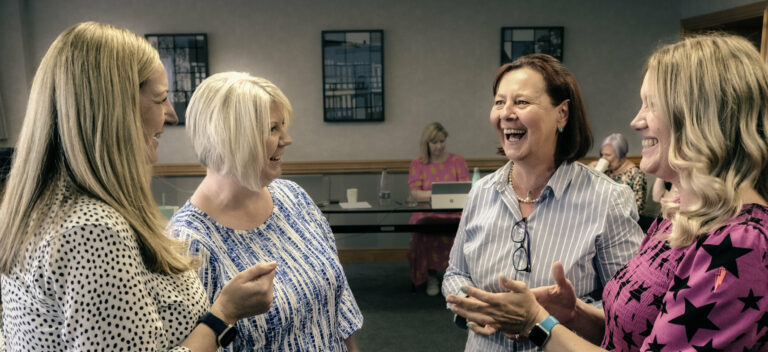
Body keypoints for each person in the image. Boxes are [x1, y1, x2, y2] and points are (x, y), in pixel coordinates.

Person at [447, 34, 768, 351]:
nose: (636, 121)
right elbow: (633, 325)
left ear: (700, 117)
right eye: (499, 102)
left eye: (651, 105)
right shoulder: (675, 219)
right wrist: (572, 314)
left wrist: (538, 323)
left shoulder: (738, 244)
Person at [0, 22, 276, 351]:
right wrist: (224, 314)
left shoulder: (50, 209)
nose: (171, 115)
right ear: (115, 113)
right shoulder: (92, 230)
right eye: (160, 99)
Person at [442, 54, 643, 351]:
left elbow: (633, 316)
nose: (506, 113)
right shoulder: (481, 192)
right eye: (499, 102)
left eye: (521, 102)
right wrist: (475, 308)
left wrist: (566, 315)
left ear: (562, 114)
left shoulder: (608, 199)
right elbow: (455, 273)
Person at [167, 72, 363, 351]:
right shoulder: (189, 243)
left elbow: (339, 308)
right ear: (232, 138)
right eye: (273, 129)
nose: (286, 139)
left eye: (283, 126)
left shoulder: (294, 198)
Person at [408, 122, 470, 295]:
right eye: (434, 142)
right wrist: (438, 194)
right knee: (422, 227)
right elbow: (415, 193)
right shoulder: (418, 164)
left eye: (442, 141)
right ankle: (432, 275)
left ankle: (457, 275)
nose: (439, 146)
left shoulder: (458, 161)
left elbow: (465, 189)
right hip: (427, 212)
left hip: (455, 212)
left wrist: (430, 193)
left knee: (466, 228)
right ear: (426, 144)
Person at [590, 133, 648, 213]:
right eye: (602, 155)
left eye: (608, 155)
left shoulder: (636, 174)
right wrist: (592, 173)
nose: (603, 159)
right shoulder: (606, 171)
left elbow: (638, 208)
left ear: (621, 155)